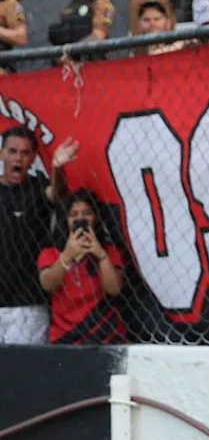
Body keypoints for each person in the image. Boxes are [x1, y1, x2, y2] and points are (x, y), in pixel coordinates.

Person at [0, 127, 79, 345]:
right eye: (12, 151)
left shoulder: (37, 188)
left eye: (25, 153)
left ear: (33, 158)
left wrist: (58, 167)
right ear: (2, 153)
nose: (18, 158)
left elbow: (57, 192)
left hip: (28, 305)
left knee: (24, 365)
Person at [37, 189, 126, 345]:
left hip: (104, 335)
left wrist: (101, 255)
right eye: (73, 214)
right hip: (65, 335)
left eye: (87, 213)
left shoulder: (110, 250)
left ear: (96, 217)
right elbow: (48, 285)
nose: (80, 218)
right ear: (65, 219)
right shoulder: (51, 253)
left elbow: (114, 289)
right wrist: (67, 255)